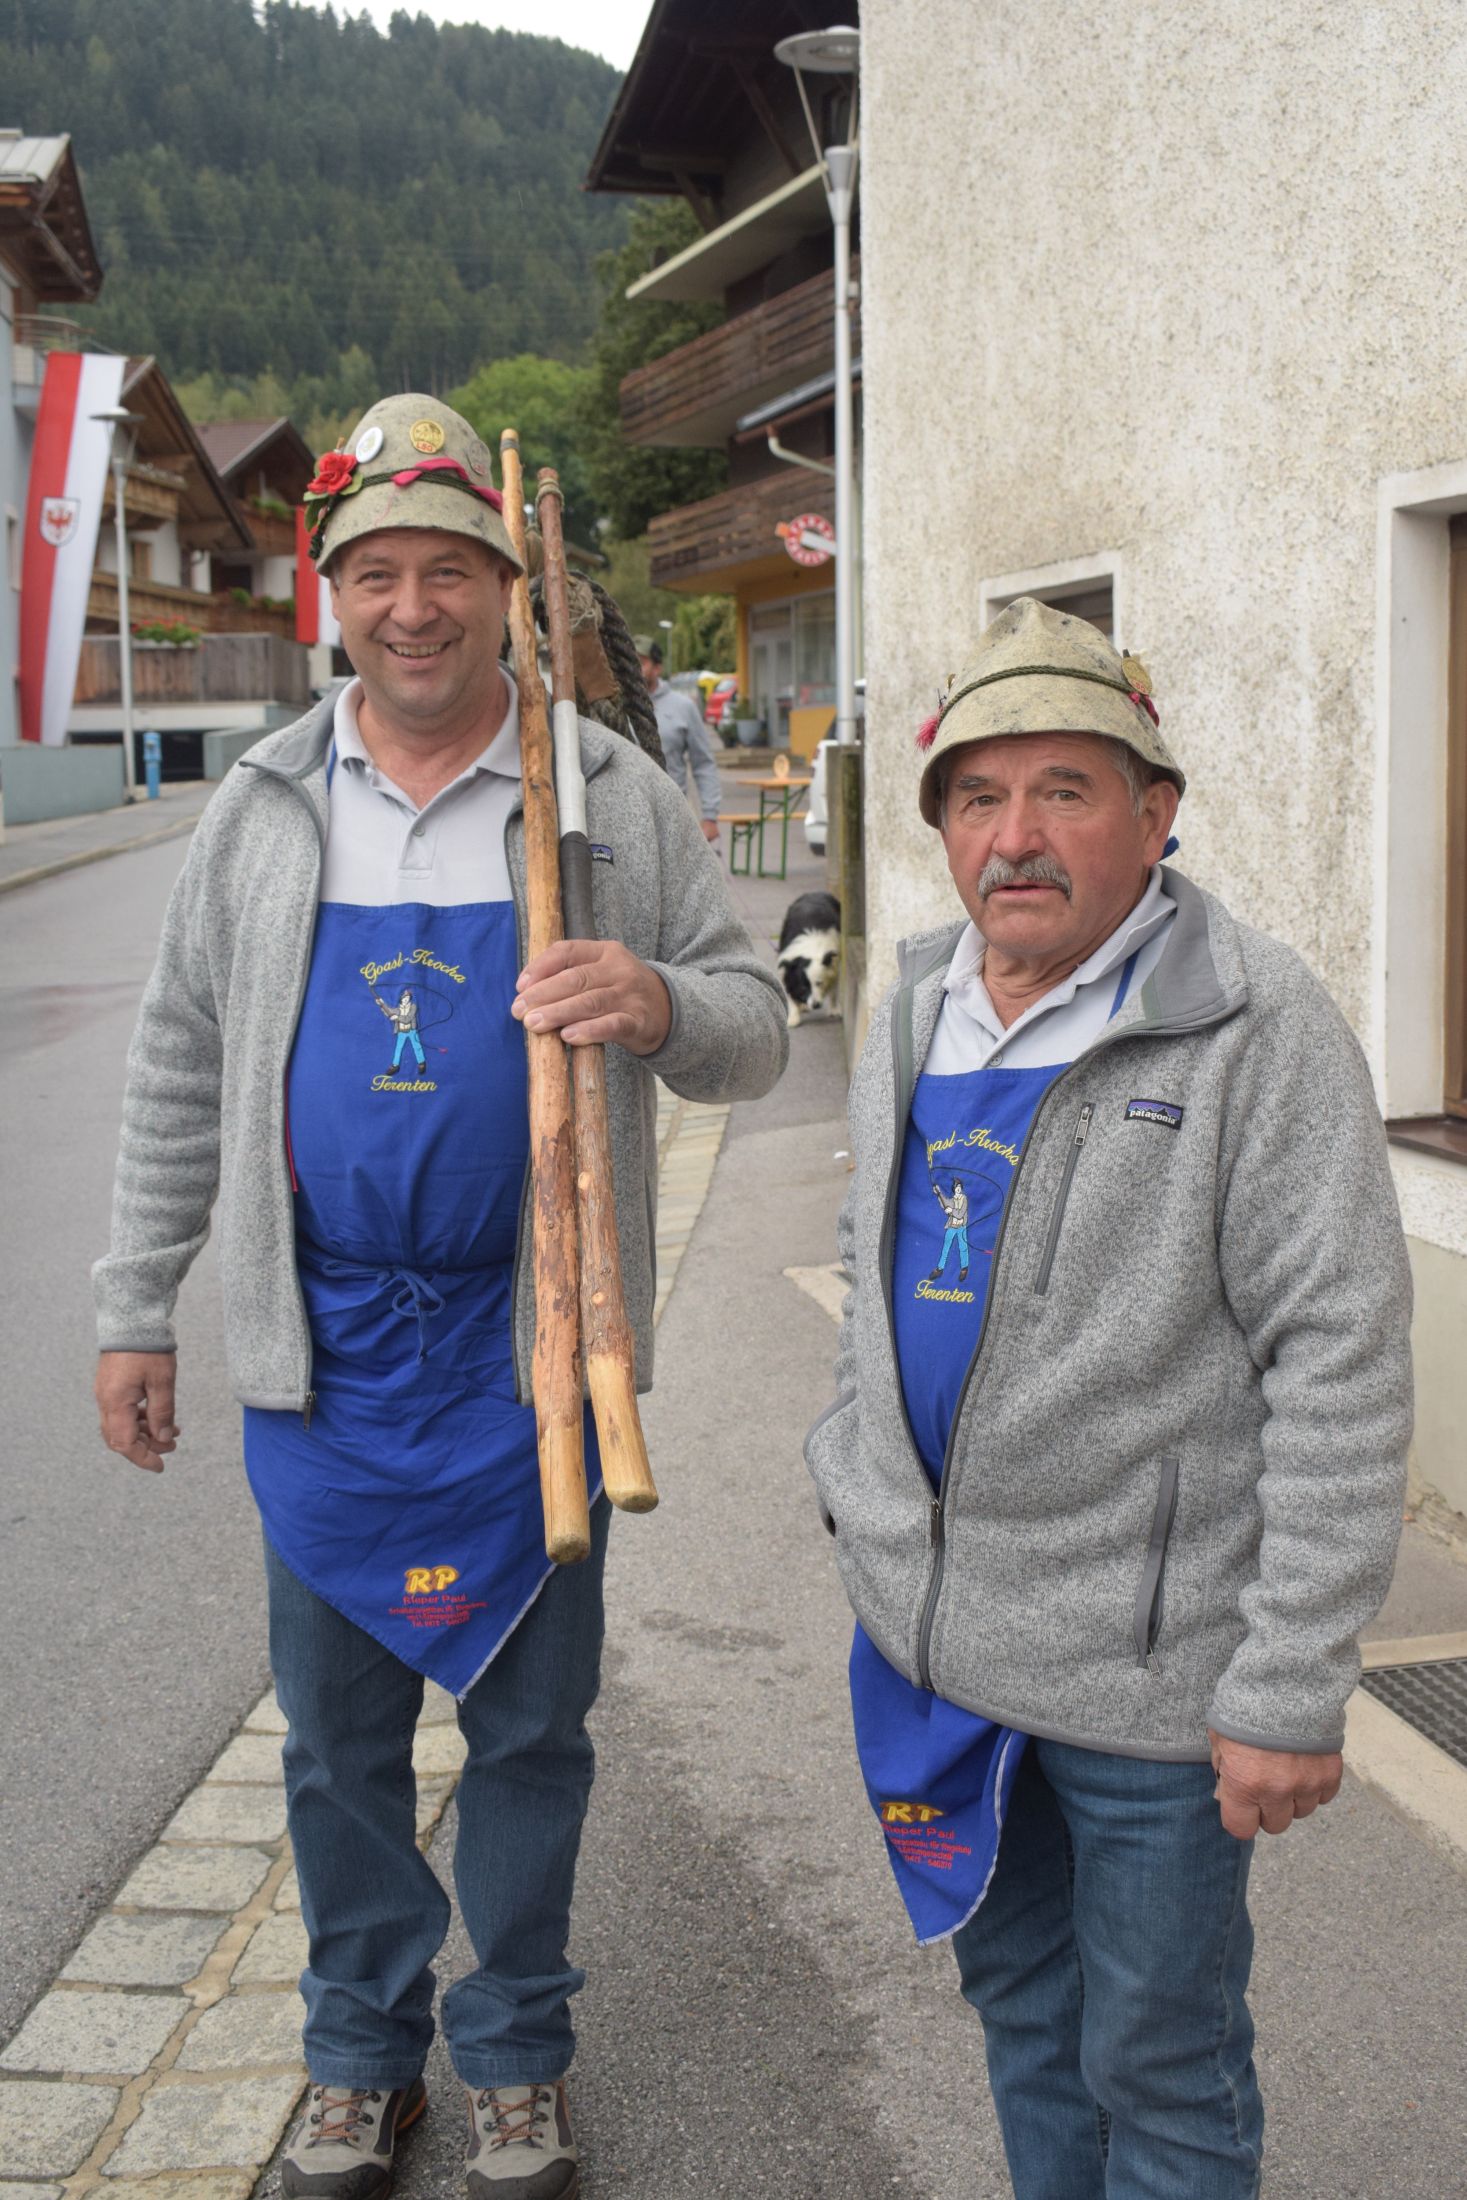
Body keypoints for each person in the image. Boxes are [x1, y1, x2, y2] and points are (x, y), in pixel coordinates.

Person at [93, 393, 788, 2200]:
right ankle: (357, 2059)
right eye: (377, 575)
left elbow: (752, 1028)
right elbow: (178, 1066)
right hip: (326, 1357)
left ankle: (519, 2054)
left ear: (505, 587)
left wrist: (656, 1001)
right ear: (332, 597)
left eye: (450, 571)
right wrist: (134, 1304)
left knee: (530, 1736)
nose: (414, 608)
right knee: (335, 1748)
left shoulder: (604, 794)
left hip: (534, 1357)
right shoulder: (262, 807)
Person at [804, 596, 1413, 2199]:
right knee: (1020, 2017)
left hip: (1150, 1681)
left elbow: (1337, 1360)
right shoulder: (913, 1007)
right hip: (940, 1657)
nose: (1012, 836)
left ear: (1153, 816)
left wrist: (1285, 1682)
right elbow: (873, 1268)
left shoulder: (1251, 1023)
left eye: (1061, 790)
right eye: (975, 797)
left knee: (1158, 2059)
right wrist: (853, 1479)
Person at [633, 635, 722, 845]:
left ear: (658, 668)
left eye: (641, 661)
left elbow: (703, 763)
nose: (634, 667)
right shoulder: (615, 707)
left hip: (672, 817)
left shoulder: (683, 707)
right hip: (628, 816)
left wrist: (710, 816)